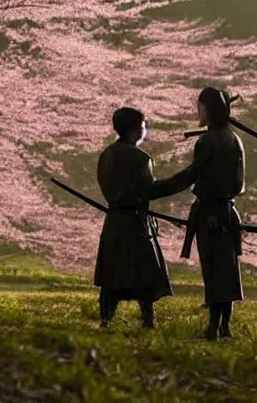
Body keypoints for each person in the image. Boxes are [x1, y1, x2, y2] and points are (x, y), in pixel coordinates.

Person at [153, 88, 245, 340]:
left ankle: (214, 328)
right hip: (229, 212)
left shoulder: (207, 142)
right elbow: (239, 183)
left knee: (214, 271)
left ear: (208, 109)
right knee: (228, 270)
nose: (198, 112)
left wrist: (156, 189)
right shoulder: (234, 139)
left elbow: (190, 176)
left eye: (200, 107)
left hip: (210, 214)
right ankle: (225, 325)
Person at [95, 107, 179, 329]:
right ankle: (148, 320)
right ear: (134, 129)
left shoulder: (106, 155)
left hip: (113, 221)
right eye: (143, 125)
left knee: (111, 275)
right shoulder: (140, 158)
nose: (145, 130)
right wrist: (182, 180)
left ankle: (106, 320)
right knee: (145, 273)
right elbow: (150, 190)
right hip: (136, 223)